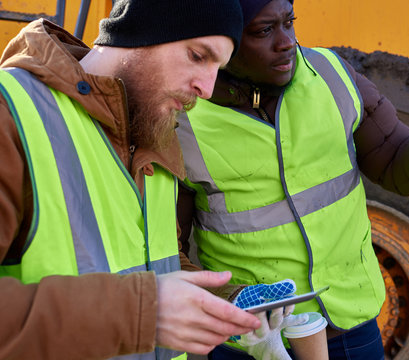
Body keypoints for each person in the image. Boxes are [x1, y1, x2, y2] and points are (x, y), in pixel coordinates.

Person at [175, 0, 409, 359]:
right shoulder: (182, 119)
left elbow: (393, 160)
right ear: (222, 40)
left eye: (289, 22)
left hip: (350, 329)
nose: (286, 41)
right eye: (264, 30)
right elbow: (165, 253)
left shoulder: (332, 77)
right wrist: (234, 300)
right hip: (252, 341)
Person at [0, 0, 267, 359]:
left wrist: (230, 308)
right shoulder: (11, 114)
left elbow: (158, 264)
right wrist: (138, 314)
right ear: (142, 33)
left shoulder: (155, 132)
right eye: (198, 55)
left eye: (218, 67)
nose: (206, 88)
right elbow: (143, 303)